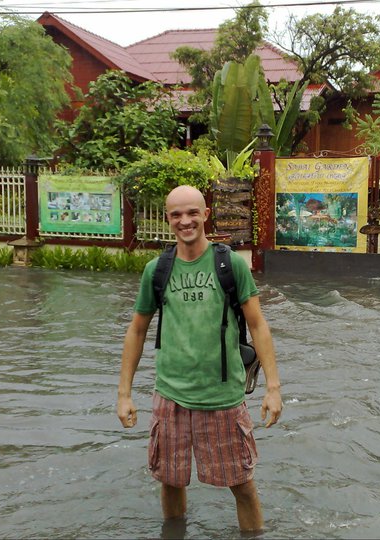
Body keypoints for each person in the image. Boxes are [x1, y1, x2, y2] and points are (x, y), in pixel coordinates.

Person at [117, 185, 282, 532]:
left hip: (222, 397)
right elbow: (136, 330)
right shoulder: (156, 270)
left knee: (242, 483)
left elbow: (258, 325)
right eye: (176, 214)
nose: (185, 220)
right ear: (168, 219)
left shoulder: (230, 265)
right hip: (171, 396)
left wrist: (273, 388)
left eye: (192, 212)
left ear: (206, 215)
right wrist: (124, 394)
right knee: (171, 481)